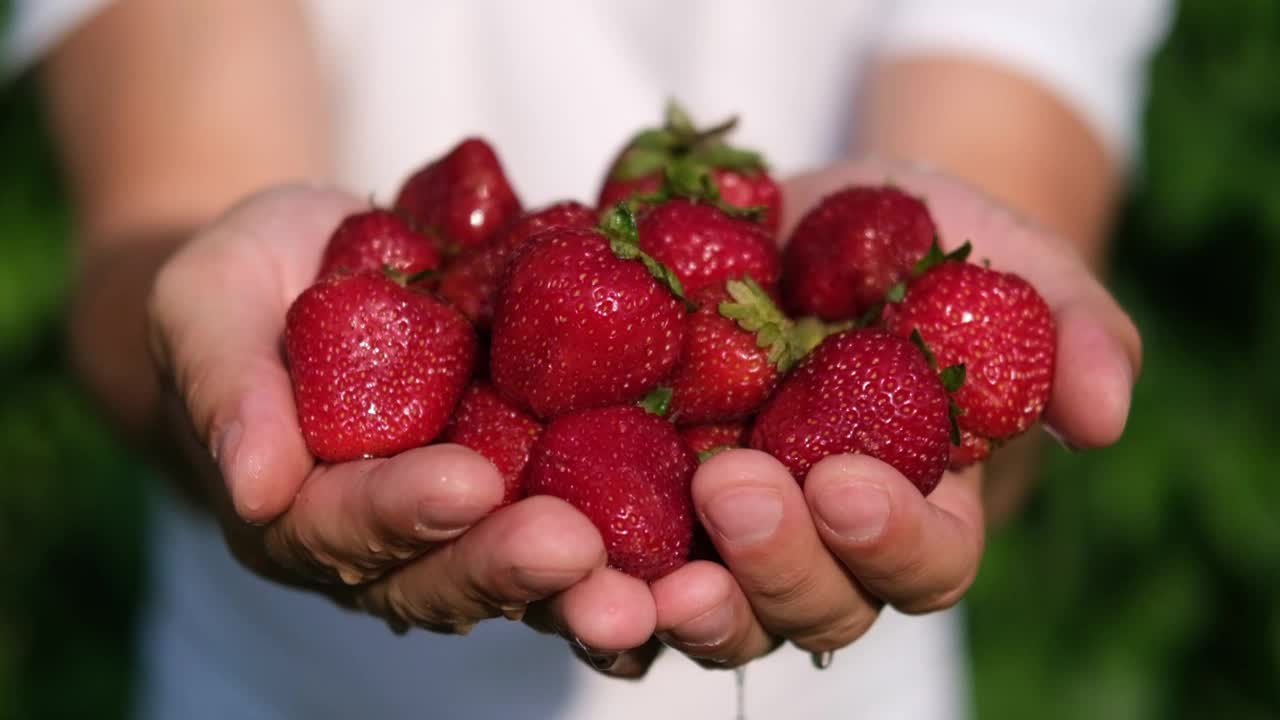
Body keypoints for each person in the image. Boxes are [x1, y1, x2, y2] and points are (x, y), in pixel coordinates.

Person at [6, 0, 1166, 717]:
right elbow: (152, 233)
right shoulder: (531, 308)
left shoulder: (695, 330)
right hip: (280, 693)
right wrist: (203, 379)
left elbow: (966, 389)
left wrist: (956, 428)